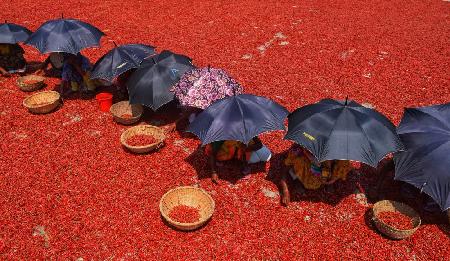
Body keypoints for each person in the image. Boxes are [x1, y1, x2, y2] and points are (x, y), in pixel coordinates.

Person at [280, 145, 353, 206]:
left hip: (325, 169)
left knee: (342, 162)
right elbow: (286, 167)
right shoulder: (299, 149)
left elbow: (342, 165)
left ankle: (329, 181)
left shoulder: (336, 149)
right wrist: (285, 190)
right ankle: (299, 181)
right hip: (308, 168)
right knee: (301, 162)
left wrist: (333, 179)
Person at [205, 137, 271, 183]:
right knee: (220, 154)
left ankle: (241, 157)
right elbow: (212, 153)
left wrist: (247, 149)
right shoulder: (220, 136)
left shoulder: (246, 129)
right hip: (226, 148)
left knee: (266, 156)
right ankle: (227, 157)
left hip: (239, 147)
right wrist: (213, 172)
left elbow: (258, 144)